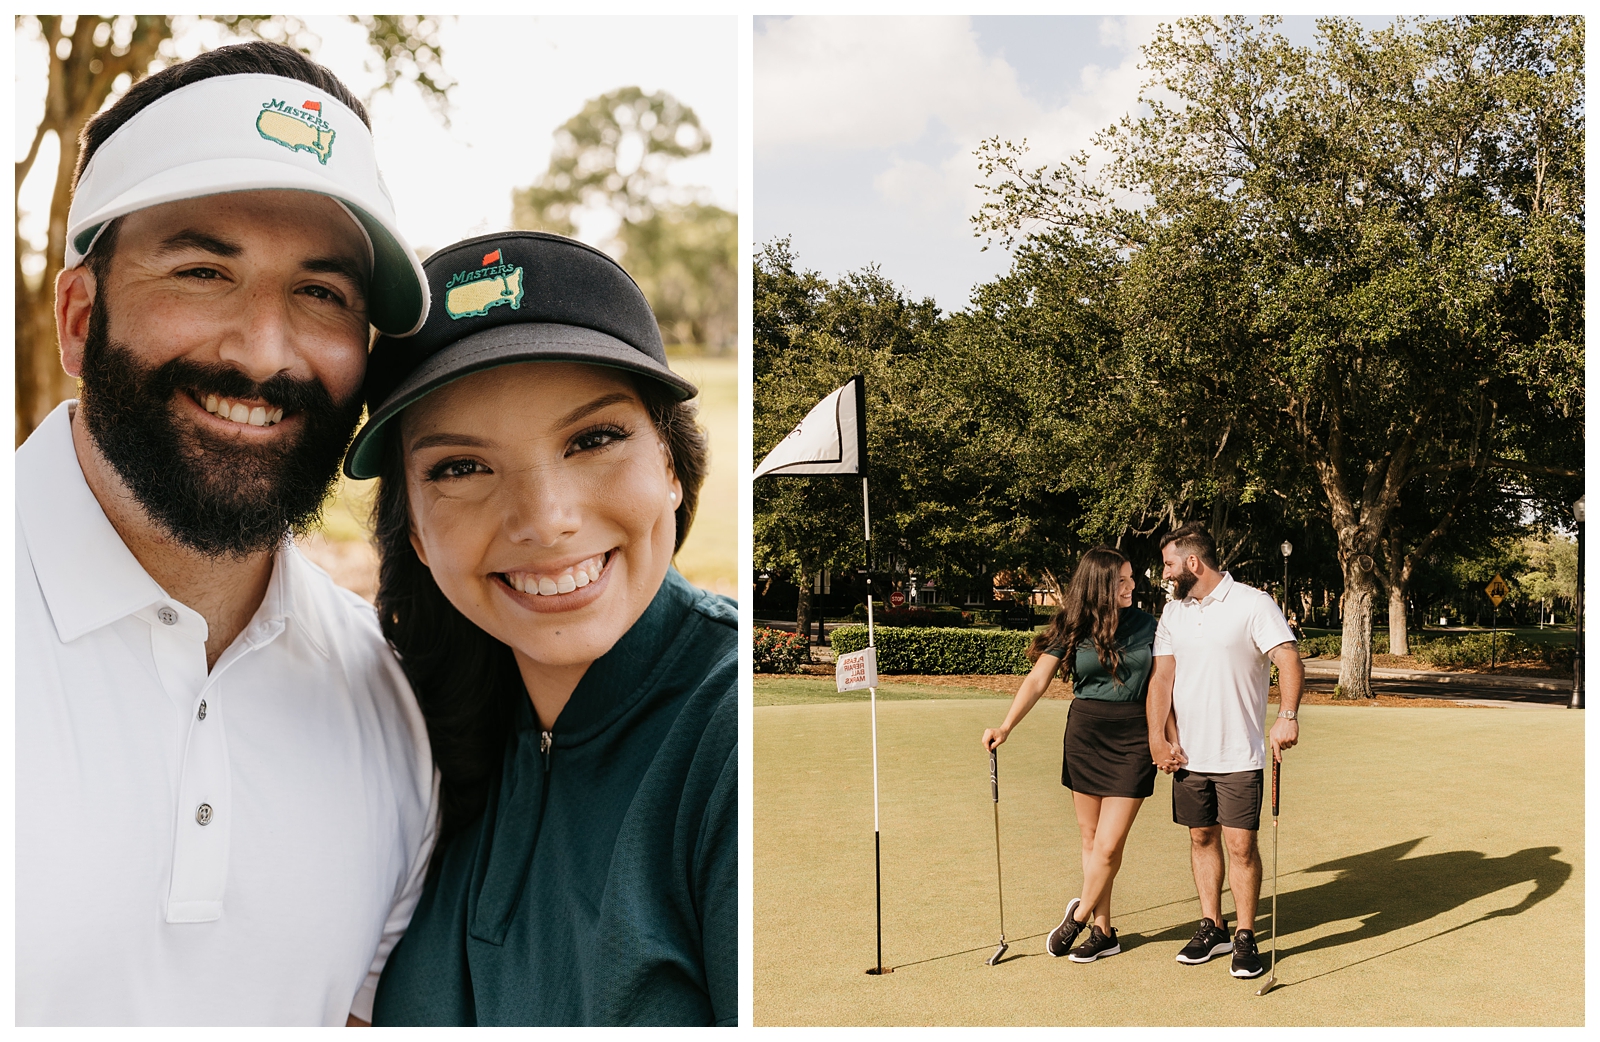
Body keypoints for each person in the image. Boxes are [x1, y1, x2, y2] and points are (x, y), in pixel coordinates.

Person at [15, 43, 437, 1025]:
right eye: (204, 270)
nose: (264, 351)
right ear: (80, 318)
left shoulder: (386, 697)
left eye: (323, 293)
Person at [350, 232, 737, 1026]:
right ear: (415, 531)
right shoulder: (398, 727)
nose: (545, 521)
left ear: (671, 465)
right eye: (460, 466)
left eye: (593, 440)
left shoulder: (729, 739)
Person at [982, 547, 1158, 964]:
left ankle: (1078, 915)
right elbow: (1038, 678)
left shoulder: (1150, 626)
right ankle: (1104, 931)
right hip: (1085, 735)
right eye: (1122, 581)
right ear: (1100, 585)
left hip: (1133, 739)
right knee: (1091, 840)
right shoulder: (1072, 626)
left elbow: (1167, 682)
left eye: (1132, 578)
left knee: (1110, 847)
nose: (1132, 586)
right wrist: (1005, 726)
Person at [1146, 522, 1303, 980]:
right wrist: (1158, 735)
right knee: (1200, 838)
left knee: (1241, 845)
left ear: (1193, 563)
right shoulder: (1174, 612)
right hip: (1189, 757)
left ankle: (1245, 935)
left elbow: (1289, 658)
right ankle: (1212, 925)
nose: (1166, 573)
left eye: (1169, 565)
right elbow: (1162, 679)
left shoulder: (1253, 603)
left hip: (1241, 754)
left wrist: (1287, 716)